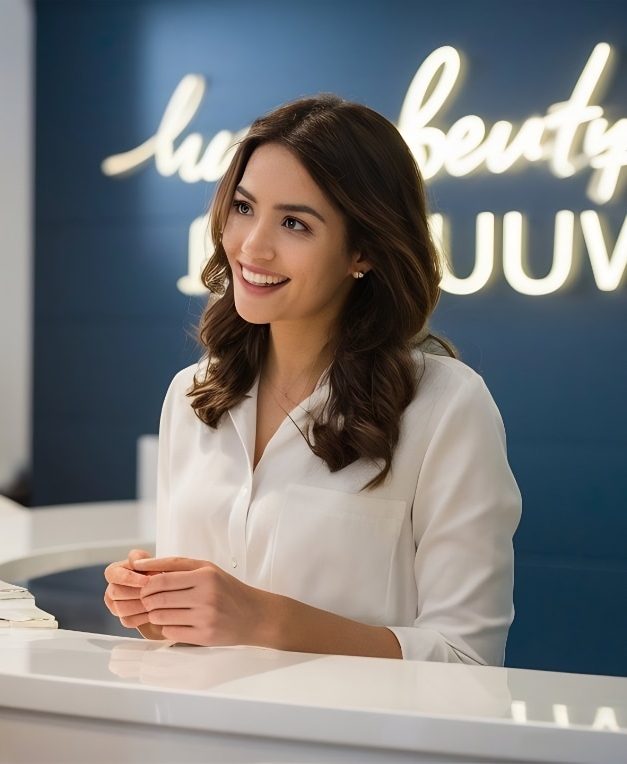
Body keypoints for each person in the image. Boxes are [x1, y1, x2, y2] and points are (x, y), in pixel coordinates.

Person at [104, 94, 521, 665]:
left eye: (295, 223)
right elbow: (203, 636)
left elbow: (467, 660)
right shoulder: (191, 396)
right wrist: (160, 610)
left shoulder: (446, 406)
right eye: (244, 208)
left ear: (363, 251)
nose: (252, 246)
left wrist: (261, 617)